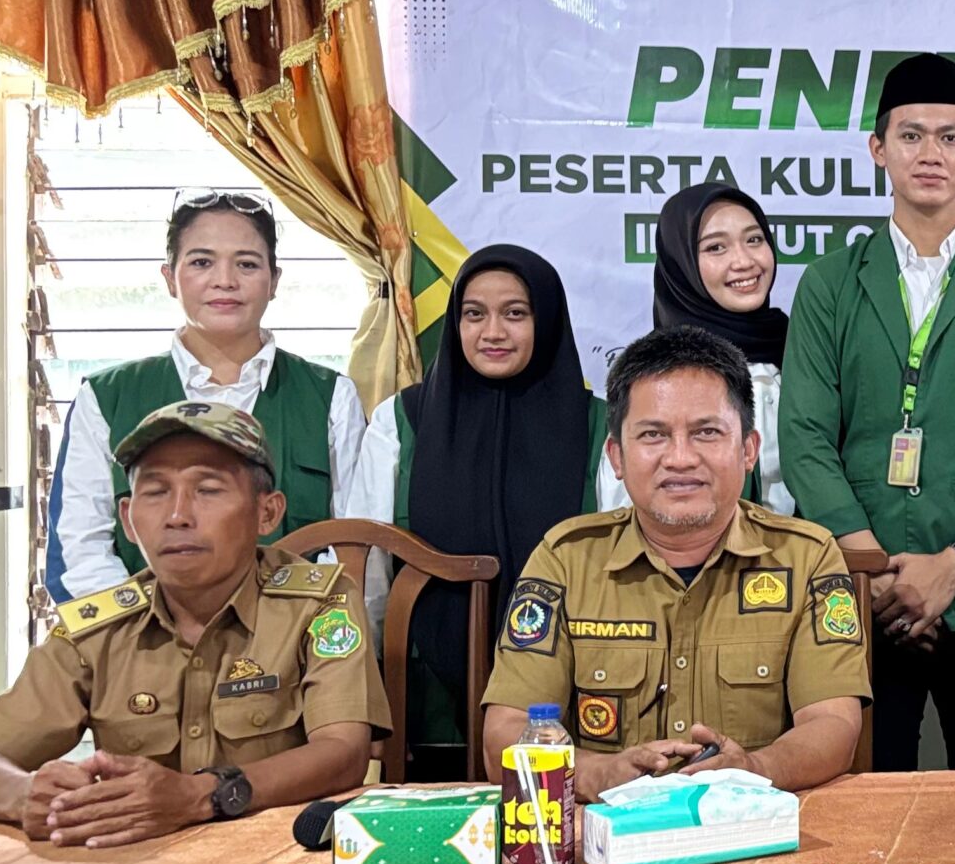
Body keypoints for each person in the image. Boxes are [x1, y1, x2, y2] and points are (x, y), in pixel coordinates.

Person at [779, 53, 955, 772]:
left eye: (949, 136)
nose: (930, 153)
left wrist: (954, 565)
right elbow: (805, 438)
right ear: (878, 149)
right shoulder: (829, 284)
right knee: (860, 803)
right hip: (858, 600)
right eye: (910, 135)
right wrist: (875, 573)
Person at [0, 403, 387, 844]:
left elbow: (344, 752)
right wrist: (24, 794)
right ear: (128, 519)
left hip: (275, 857)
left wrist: (201, 796)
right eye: (156, 492)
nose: (177, 516)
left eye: (208, 490)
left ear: (267, 513)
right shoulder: (98, 629)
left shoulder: (317, 604)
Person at [480, 327, 867, 799]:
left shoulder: (807, 557)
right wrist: (601, 774)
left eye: (707, 432)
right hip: (610, 830)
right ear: (617, 456)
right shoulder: (565, 561)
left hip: (756, 827)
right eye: (654, 435)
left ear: (748, 449)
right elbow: (506, 732)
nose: (681, 459)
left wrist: (753, 769)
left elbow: (833, 724)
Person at [348, 245, 612, 780]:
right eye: (474, 314)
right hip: (422, 706)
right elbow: (367, 573)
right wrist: (365, 690)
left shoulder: (601, 426)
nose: (493, 332)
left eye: (515, 313)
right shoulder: (402, 420)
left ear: (547, 320)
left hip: (572, 705)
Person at [46, 192, 366, 600]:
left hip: (298, 632)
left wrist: (285, 626)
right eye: (201, 262)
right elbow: (79, 552)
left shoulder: (331, 397)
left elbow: (355, 546)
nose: (225, 280)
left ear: (274, 281)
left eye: (247, 264)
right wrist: (149, 629)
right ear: (169, 278)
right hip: (141, 634)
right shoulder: (106, 398)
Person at [640, 183, 793, 514]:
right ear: (681, 263)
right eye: (716, 247)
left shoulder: (801, 347)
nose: (744, 261)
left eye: (754, 240)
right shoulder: (655, 378)